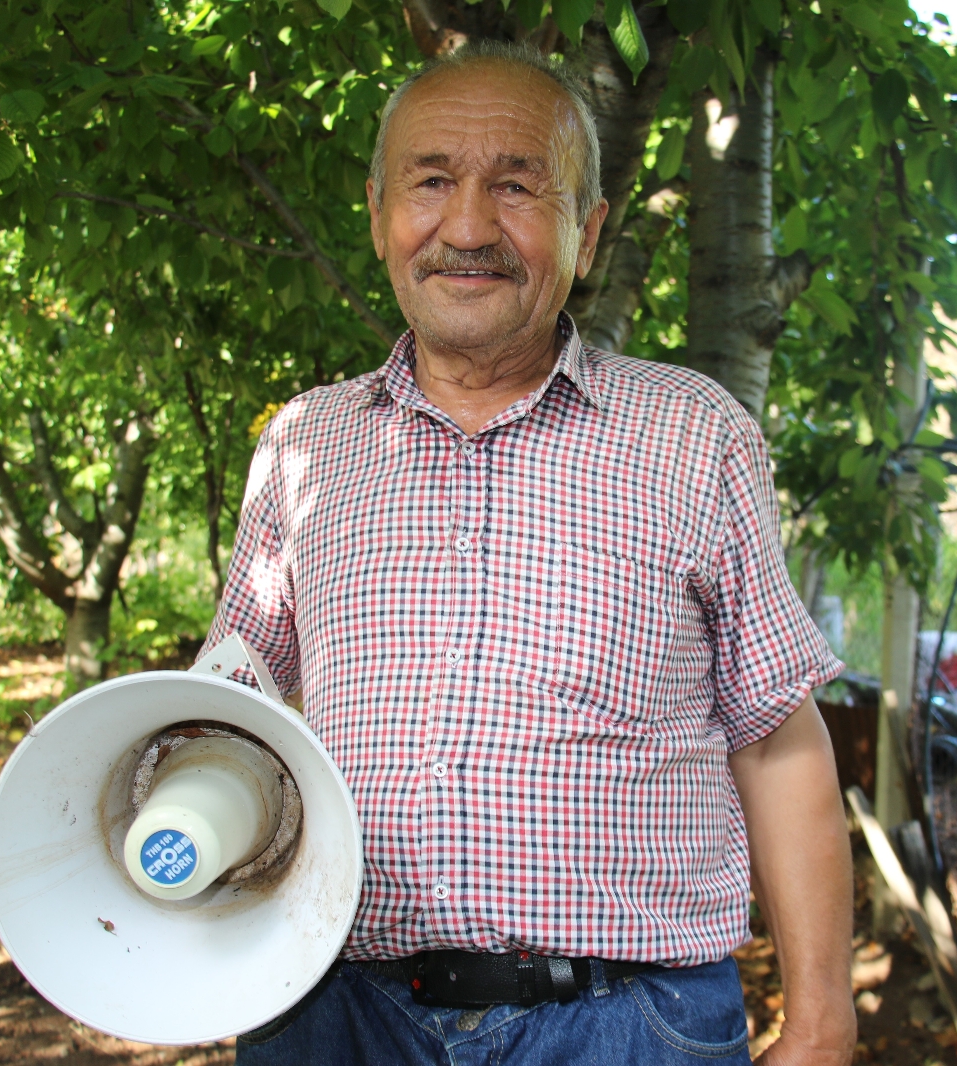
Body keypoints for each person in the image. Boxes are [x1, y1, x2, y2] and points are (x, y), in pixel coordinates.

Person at [205, 41, 855, 1066]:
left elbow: (776, 738)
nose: (467, 228)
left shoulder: (695, 435)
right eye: (431, 182)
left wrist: (822, 1018)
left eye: (516, 187)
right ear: (378, 216)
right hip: (333, 1017)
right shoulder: (302, 445)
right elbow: (221, 715)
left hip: (626, 1027)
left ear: (586, 234)